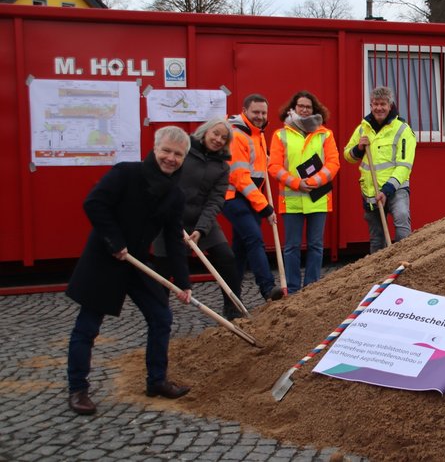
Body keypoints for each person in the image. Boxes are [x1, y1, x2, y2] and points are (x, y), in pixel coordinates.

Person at [66, 126, 193, 416]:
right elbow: (94, 204)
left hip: (136, 263)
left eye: (178, 154)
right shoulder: (126, 173)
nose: (171, 158)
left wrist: (183, 282)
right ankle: (77, 389)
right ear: (155, 148)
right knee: (87, 326)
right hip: (104, 258)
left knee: (161, 317)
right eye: (167, 151)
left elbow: (174, 239)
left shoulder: (175, 194)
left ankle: (156, 380)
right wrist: (114, 241)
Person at [153, 118, 243, 320]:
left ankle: (233, 308)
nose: (219, 139)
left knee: (226, 258)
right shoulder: (184, 151)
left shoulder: (222, 167)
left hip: (201, 220)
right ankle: (158, 315)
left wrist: (201, 229)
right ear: (205, 132)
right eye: (215, 133)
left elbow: (215, 201)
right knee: (163, 269)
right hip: (170, 217)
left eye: (224, 137)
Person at [268, 91, 340, 294]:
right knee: (291, 247)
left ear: (314, 109)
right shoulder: (280, 134)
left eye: (308, 107)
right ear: (293, 107)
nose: (305, 109)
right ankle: (291, 289)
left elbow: (333, 163)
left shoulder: (325, 134)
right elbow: (274, 166)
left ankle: (311, 288)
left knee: (316, 246)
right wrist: (296, 183)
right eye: (301, 106)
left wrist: (315, 181)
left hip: (318, 199)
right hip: (291, 200)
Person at [222, 94, 284, 301]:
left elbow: (259, 168)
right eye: (255, 112)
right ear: (245, 111)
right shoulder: (238, 135)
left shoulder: (258, 134)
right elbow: (240, 177)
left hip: (248, 198)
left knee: (239, 251)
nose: (260, 116)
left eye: (263, 113)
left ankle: (232, 300)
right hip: (233, 197)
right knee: (255, 238)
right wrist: (265, 207)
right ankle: (267, 288)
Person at [344, 86, 417, 253]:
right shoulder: (363, 128)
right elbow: (348, 155)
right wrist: (359, 148)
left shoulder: (402, 130)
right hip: (370, 191)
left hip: (396, 188)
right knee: (376, 237)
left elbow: (404, 165)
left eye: (383, 104)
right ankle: (377, 273)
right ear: (371, 105)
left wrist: (387, 189)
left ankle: (402, 260)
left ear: (390, 105)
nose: (379, 108)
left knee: (402, 219)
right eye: (375, 104)